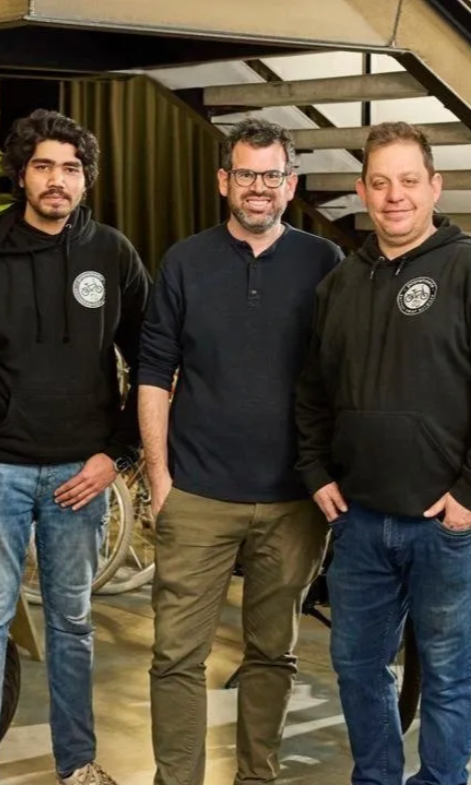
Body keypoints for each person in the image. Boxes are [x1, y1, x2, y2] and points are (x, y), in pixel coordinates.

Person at [295, 121, 471, 785]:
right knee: (354, 664)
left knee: (450, 672)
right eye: (379, 183)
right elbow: (311, 391)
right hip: (360, 522)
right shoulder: (340, 286)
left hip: (446, 525)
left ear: (434, 186)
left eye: (407, 181)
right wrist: (316, 473)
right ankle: (375, 777)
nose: (393, 196)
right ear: (361, 191)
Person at [0, 109, 149, 786]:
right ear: (21, 175)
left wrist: (113, 454)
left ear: (85, 180)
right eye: (44, 166)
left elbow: (150, 362)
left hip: (78, 475)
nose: (58, 181)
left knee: (74, 625)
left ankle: (77, 763)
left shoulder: (111, 253)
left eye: (71, 169)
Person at [138, 117, 343, 785]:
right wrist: (160, 478)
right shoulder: (184, 261)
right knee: (175, 657)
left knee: (273, 654)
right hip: (196, 493)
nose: (260, 188)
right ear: (224, 180)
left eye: (272, 175)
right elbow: (152, 374)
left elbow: (342, 375)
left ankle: (258, 777)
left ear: (292, 184)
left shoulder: (323, 263)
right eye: (247, 174)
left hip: (292, 502)